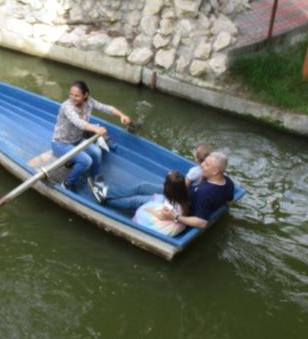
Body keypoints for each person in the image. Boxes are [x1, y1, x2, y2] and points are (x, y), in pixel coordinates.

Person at [106, 152, 234, 229]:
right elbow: (229, 202)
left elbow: (202, 223)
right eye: (204, 162)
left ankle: (107, 200)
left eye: (206, 164)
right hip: (181, 195)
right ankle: (108, 192)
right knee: (143, 186)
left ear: (215, 171)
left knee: (136, 201)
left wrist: (175, 216)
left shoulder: (205, 193)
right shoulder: (228, 182)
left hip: (178, 207)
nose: (201, 165)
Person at [52, 80, 131, 196]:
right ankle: (67, 183)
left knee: (97, 152)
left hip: (77, 140)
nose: (73, 98)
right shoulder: (67, 107)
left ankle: (95, 180)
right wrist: (96, 129)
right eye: (71, 94)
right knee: (86, 161)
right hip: (61, 143)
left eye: (77, 95)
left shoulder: (89, 102)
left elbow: (105, 108)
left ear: (85, 95)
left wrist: (121, 115)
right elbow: (78, 122)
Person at [132, 170, 190, 236]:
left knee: (141, 212)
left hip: (169, 222)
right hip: (175, 218)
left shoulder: (173, 205)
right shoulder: (183, 197)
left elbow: (163, 217)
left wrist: (151, 210)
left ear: (168, 187)